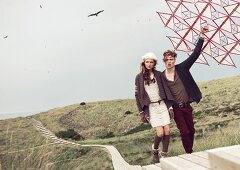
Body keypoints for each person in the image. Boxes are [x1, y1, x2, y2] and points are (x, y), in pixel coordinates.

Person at [162, 27, 208, 154]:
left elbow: (195, 54)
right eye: (167, 60)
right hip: (176, 108)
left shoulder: (182, 68)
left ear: (174, 60)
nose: (169, 61)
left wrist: (202, 36)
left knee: (191, 130)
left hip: (187, 106)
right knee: (184, 131)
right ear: (164, 61)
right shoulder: (161, 76)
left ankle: (190, 150)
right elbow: (162, 93)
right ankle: (189, 153)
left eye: (171, 59)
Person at [135, 52, 174, 163]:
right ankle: (155, 150)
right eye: (147, 62)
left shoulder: (159, 74)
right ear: (144, 63)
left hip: (162, 105)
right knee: (160, 133)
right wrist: (141, 112)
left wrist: (170, 107)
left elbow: (166, 89)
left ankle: (165, 155)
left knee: (167, 130)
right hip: (151, 108)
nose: (149, 64)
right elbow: (137, 96)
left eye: (151, 62)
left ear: (154, 63)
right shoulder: (139, 77)